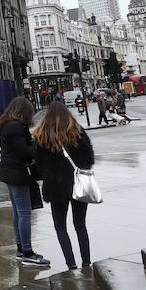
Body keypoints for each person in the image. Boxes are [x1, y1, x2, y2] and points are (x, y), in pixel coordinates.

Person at [34, 101, 95, 270]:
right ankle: (86, 261)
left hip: (55, 186)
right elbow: (89, 159)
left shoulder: (41, 136)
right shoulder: (78, 133)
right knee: (80, 224)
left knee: (60, 227)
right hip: (78, 185)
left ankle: (71, 264)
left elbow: (38, 164)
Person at [0, 96, 50, 266]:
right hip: (18, 174)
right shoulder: (16, 127)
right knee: (25, 213)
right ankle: (27, 252)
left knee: (18, 212)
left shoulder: (7, 124)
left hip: (9, 172)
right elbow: (24, 153)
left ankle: (21, 249)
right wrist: (36, 143)